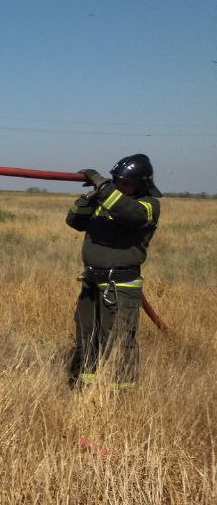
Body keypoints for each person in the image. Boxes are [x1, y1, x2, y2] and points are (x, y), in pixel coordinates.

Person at [65, 153, 162, 388]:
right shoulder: (106, 201)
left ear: (141, 184)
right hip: (91, 284)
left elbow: (129, 213)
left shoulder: (147, 206)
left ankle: (120, 396)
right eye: (116, 180)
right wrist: (89, 198)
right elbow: (74, 221)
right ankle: (82, 386)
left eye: (125, 183)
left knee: (119, 341)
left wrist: (103, 186)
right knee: (87, 337)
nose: (119, 186)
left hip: (119, 287)